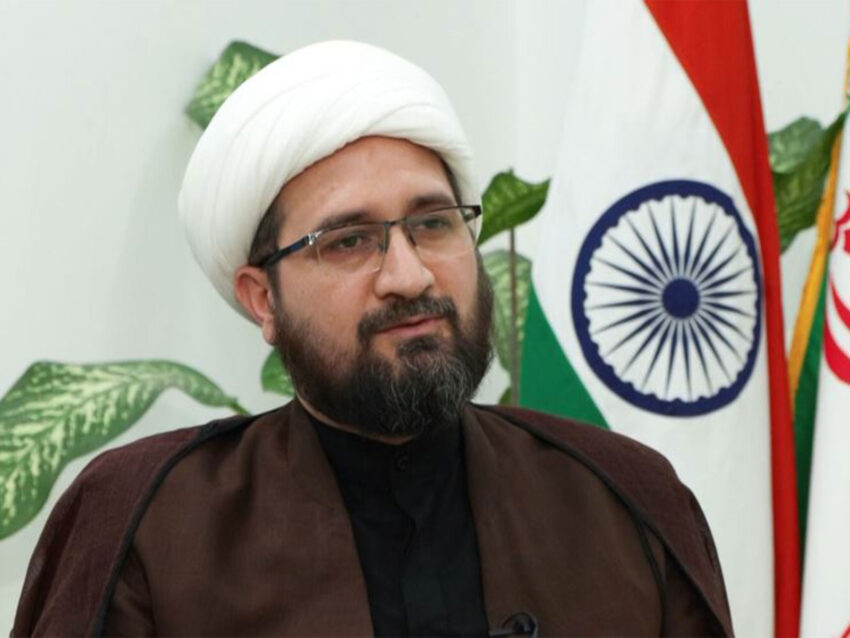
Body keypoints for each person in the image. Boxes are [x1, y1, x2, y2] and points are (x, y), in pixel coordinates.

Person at [12, 41, 733, 637]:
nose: (409, 275)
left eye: (433, 224)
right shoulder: (148, 525)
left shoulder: (624, 499)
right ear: (263, 298)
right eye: (349, 240)